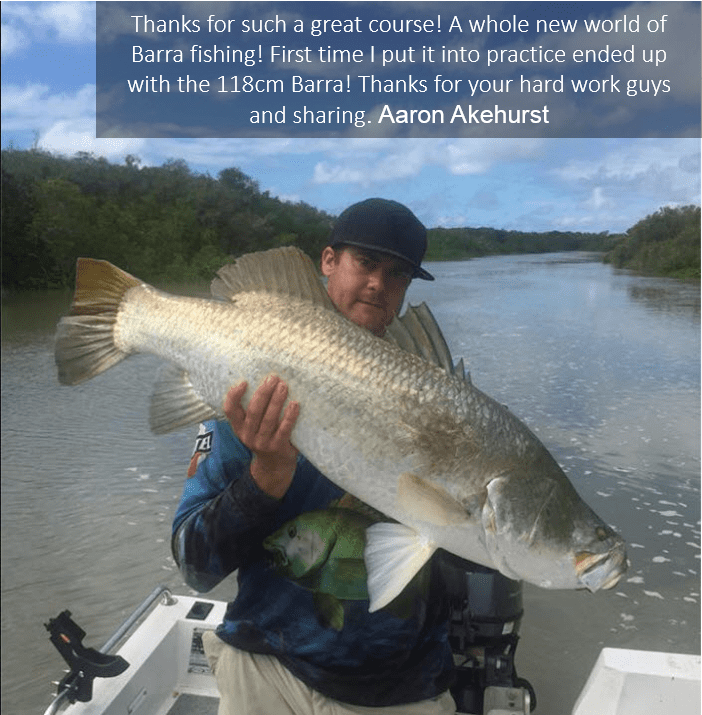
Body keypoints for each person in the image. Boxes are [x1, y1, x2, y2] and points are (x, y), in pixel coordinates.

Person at [172, 198, 457, 715]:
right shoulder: (247, 390)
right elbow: (194, 565)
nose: (378, 283)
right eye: (365, 263)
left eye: (397, 274)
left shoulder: (438, 402)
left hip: (395, 689)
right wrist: (265, 476)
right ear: (328, 261)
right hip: (264, 668)